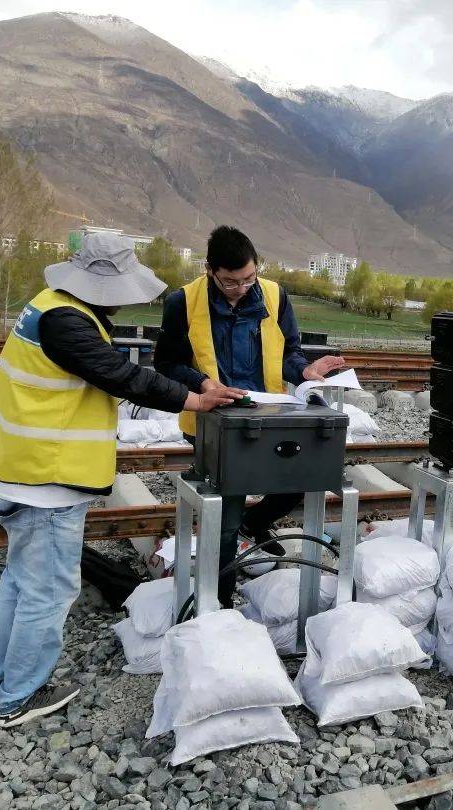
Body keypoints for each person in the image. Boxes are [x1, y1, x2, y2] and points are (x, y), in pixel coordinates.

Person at [0, 233, 244, 728]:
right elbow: (122, 375)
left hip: (20, 474)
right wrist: (193, 400)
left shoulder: (52, 307)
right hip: (43, 482)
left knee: (20, 585)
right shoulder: (65, 323)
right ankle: (19, 698)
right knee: (47, 593)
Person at [155, 226, 345, 606]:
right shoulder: (184, 302)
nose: (241, 288)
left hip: (269, 413)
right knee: (226, 515)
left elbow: (289, 353)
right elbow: (167, 363)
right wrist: (204, 382)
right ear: (210, 270)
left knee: (302, 477)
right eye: (230, 282)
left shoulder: (275, 295)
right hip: (213, 421)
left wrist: (304, 371)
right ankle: (219, 602)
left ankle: (254, 525)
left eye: (248, 278)